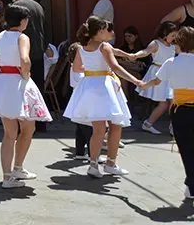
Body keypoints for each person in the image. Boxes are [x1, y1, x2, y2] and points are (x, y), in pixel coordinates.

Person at [0, 4, 52, 189]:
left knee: (9, 133)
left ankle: (8, 175)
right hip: (18, 82)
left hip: (3, 83)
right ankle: (17, 167)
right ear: (23, 21)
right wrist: (25, 74)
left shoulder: (2, 36)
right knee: (28, 127)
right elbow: (25, 59)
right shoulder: (22, 37)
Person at [63, 15, 144, 177]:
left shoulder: (82, 47)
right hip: (104, 86)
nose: (110, 32)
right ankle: (111, 163)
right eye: (108, 30)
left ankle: (93, 165)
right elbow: (115, 66)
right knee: (115, 125)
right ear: (100, 31)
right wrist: (136, 81)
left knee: (98, 129)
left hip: (89, 85)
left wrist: (92, 67)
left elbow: (77, 68)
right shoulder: (104, 47)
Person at [136, 26, 194, 200]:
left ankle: (191, 183)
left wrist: (142, 84)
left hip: (181, 110)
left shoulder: (171, 63)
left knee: (186, 149)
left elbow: (156, 80)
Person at [11, 0, 48, 132]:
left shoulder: (16, 7)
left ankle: (22, 122)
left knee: (21, 88)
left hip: (22, 51)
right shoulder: (38, 6)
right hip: (38, 51)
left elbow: (10, 30)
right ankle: (40, 122)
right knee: (38, 88)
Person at [133, 21, 179, 134]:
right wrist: (134, 55)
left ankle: (170, 126)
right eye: (172, 35)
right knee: (165, 103)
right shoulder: (156, 43)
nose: (174, 38)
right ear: (165, 33)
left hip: (170, 74)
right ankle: (149, 124)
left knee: (172, 101)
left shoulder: (173, 46)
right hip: (158, 72)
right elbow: (145, 52)